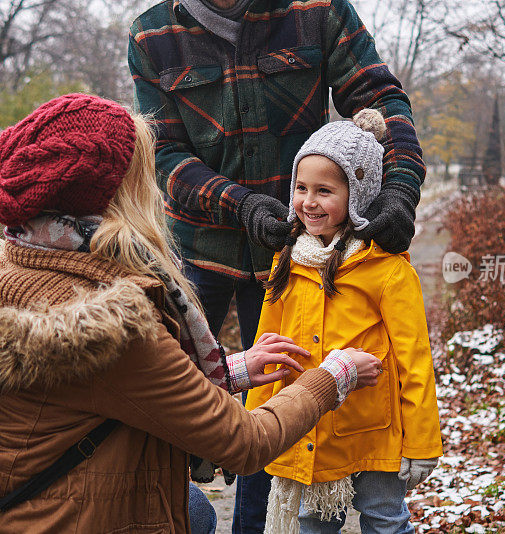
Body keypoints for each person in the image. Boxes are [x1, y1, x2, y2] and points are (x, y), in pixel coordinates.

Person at [0, 94, 384, 533]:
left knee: (195, 507)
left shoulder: (2, 270)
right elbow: (243, 442)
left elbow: (102, 397)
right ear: (115, 198)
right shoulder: (104, 326)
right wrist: (332, 376)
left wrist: (232, 371)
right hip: (57, 518)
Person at [128, 0, 426, 529]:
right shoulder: (154, 34)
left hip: (296, 254)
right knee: (163, 399)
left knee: (284, 404)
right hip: (200, 251)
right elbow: (165, 153)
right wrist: (239, 205)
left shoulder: (317, 10)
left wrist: (400, 187)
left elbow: (382, 99)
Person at [245, 109, 443, 533]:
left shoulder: (385, 269)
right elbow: (268, 346)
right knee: (314, 525)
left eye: (324, 190)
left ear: (357, 194)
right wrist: (254, 424)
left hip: (374, 429)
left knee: (384, 520)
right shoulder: (288, 261)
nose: (308, 202)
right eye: (300, 188)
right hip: (312, 424)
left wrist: (423, 441)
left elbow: (415, 358)